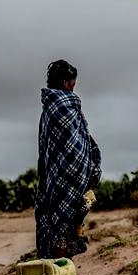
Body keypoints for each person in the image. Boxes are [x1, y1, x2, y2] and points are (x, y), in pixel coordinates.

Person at [37, 59, 103, 259]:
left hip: (58, 179)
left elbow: (80, 140)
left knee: (70, 227)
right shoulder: (63, 106)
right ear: (66, 82)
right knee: (62, 229)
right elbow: (72, 149)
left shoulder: (50, 107)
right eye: (73, 81)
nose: (74, 85)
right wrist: (87, 173)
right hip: (67, 180)